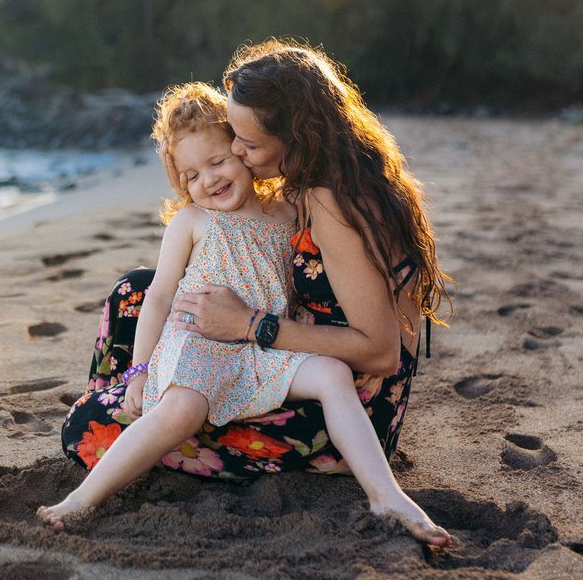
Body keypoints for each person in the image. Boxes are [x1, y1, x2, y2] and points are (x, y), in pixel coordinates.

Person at [47, 71, 452, 546]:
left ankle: (385, 494)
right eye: (191, 175)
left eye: (227, 154)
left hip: (259, 349)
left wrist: (260, 324)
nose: (214, 175)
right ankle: (82, 499)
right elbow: (158, 295)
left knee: (330, 375)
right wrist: (139, 371)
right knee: (176, 398)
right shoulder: (195, 219)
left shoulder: (300, 205)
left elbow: (335, 320)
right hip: (201, 343)